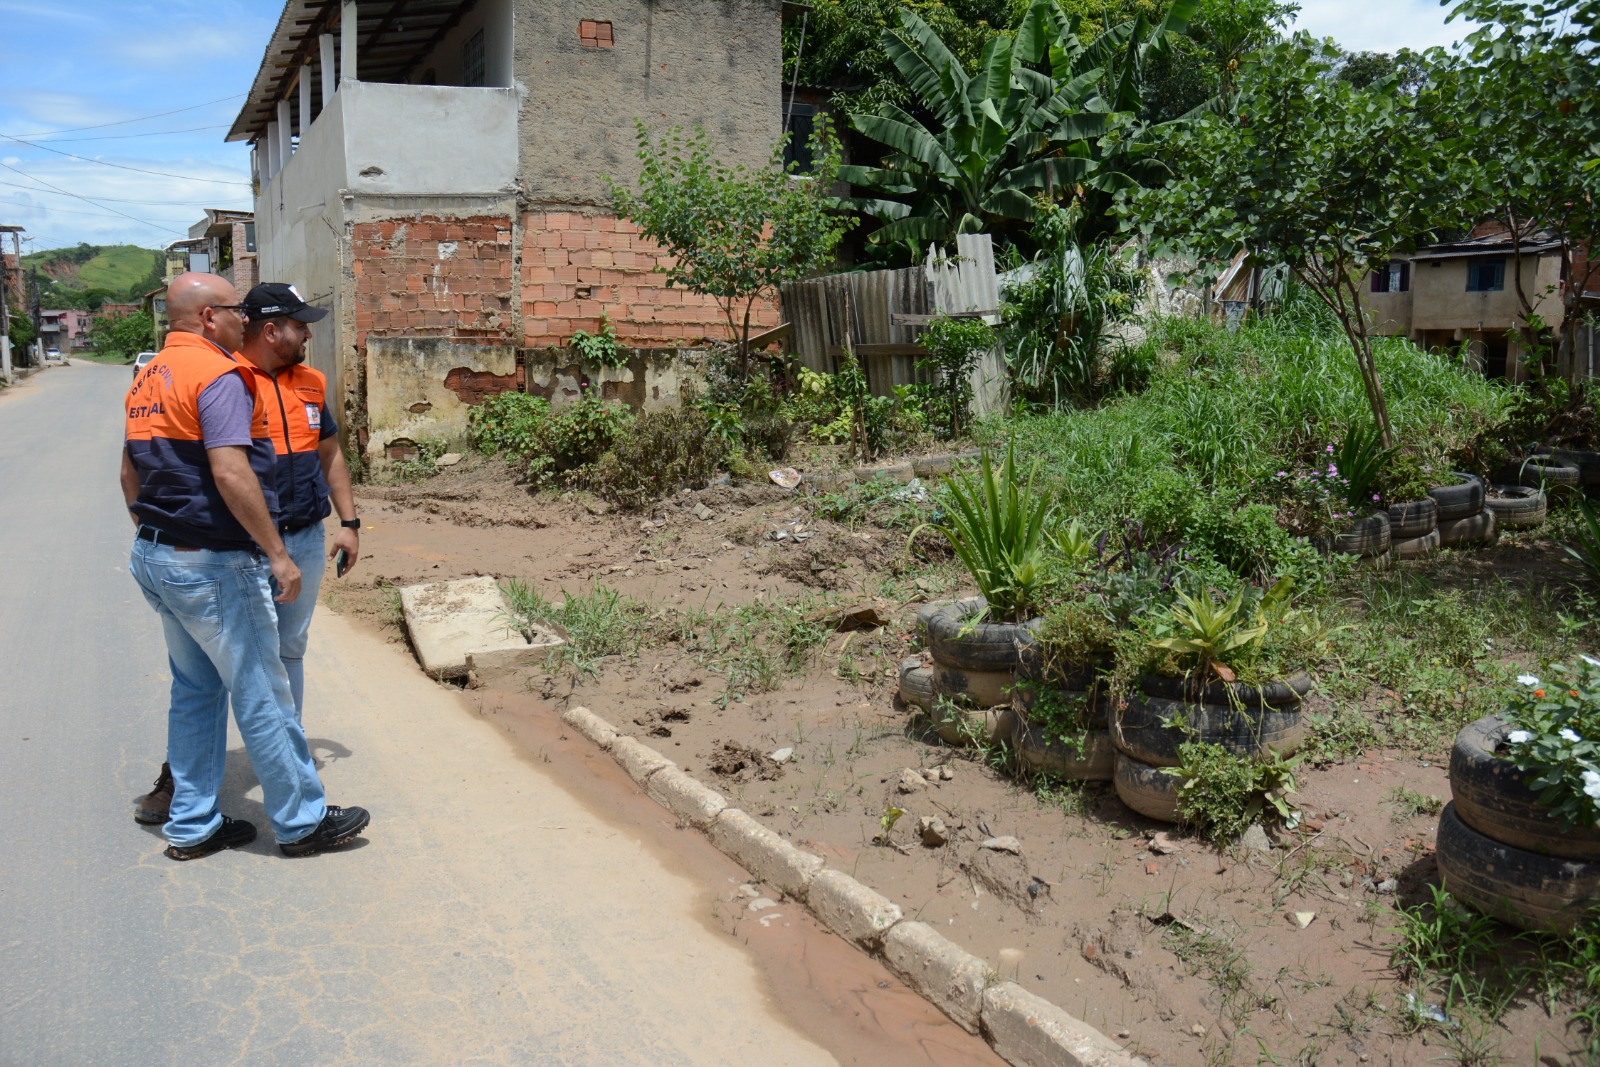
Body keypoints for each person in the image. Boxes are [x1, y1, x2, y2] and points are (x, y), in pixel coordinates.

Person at [123, 272, 369, 860]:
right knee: (262, 687)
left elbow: (129, 473)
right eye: (236, 309)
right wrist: (276, 555)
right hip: (212, 562)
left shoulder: (148, 376)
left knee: (195, 690)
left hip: (161, 555)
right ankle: (302, 821)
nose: (243, 319)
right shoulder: (219, 373)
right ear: (210, 317)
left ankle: (191, 824)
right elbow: (232, 472)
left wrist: (160, 543)